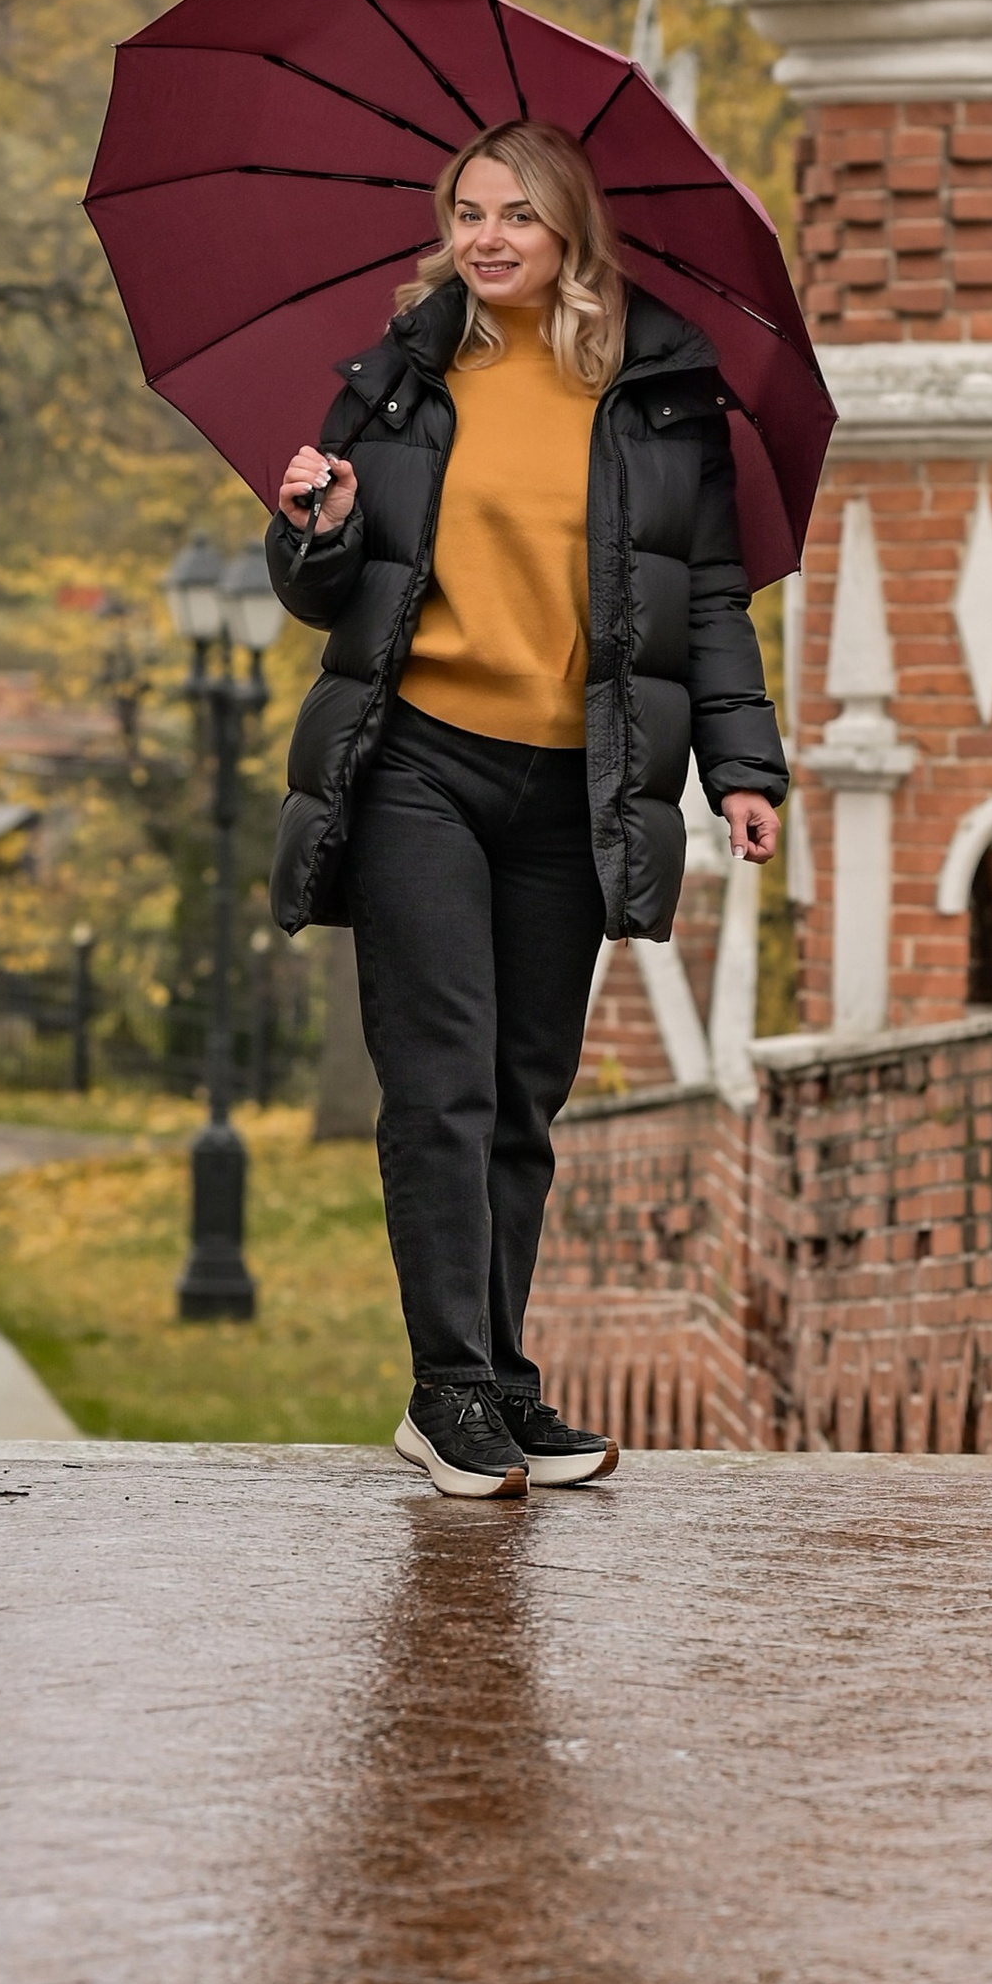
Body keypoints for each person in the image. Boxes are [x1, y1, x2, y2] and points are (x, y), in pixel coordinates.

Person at [268, 121, 786, 1500]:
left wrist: (742, 766)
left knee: (523, 1093)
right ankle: (445, 1389)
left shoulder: (663, 396)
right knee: (441, 1079)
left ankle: (499, 1379)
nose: (487, 238)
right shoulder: (399, 379)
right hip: (419, 766)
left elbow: (709, 598)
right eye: (468, 212)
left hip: (574, 781)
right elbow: (323, 591)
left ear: (572, 233)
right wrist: (315, 527)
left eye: (517, 215)